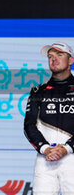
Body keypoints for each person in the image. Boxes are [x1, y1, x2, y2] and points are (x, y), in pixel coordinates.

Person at [24, 42, 74, 195]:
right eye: (50, 56)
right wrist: (45, 149)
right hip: (45, 158)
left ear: (71, 60)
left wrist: (66, 148)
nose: (54, 59)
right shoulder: (38, 91)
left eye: (60, 55)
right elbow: (29, 125)